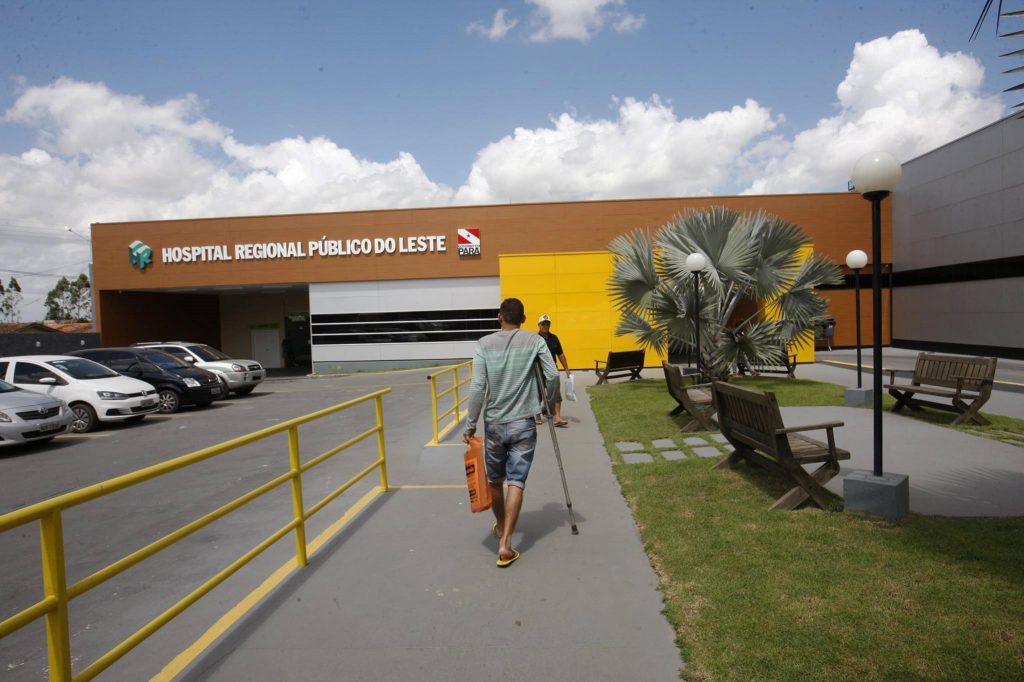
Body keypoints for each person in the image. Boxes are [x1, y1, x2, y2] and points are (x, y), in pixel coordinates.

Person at [464, 298, 558, 568]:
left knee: (495, 481)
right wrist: (547, 404)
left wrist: (470, 424)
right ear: (524, 319)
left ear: (499, 317)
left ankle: (501, 526)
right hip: (523, 422)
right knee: (516, 481)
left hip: (494, 423)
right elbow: (552, 375)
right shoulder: (535, 340)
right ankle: (505, 543)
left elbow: (477, 387)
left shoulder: (483, 344)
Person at [536, 314, 571, 427]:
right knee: (537, 394)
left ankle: (557, 418)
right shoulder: (535, 339)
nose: (545, 326)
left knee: (556, 393)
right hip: (538, 370)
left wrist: (567, 369)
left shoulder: (554, 338)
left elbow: (560, 354)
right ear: (539, 325)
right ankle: (537, 416)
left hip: (552, 370)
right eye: (543, 324)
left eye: (547, 324)